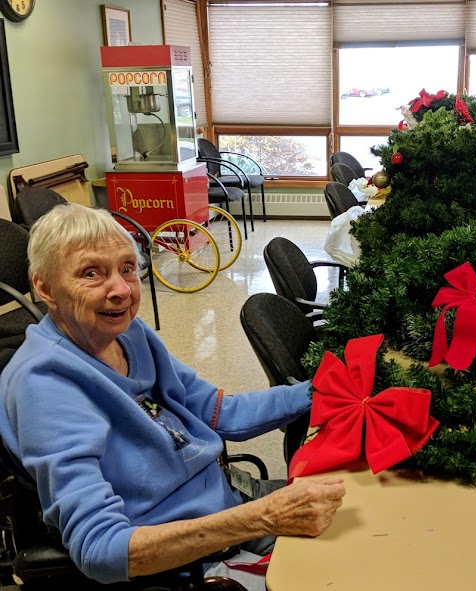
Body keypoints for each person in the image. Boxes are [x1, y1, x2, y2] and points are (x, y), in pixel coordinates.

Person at [0, 204, 345, 588]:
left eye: (127, 269)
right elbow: (99, 548)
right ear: (45, 287)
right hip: (193, 564)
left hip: (230, 506)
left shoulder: (129, 334)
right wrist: (262, 518)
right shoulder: (45, 386)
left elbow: (219, 413)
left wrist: (321, 392)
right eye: (91, 273)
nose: (120, 290)